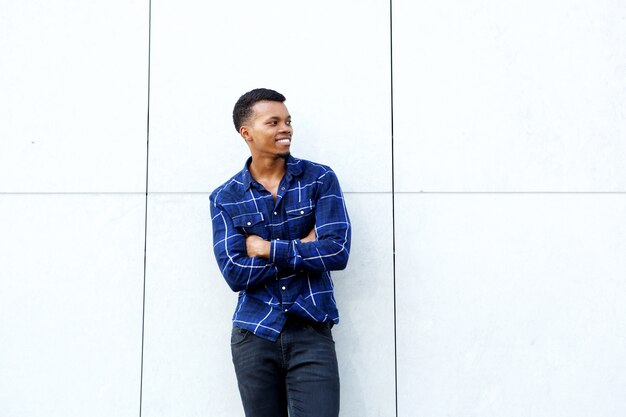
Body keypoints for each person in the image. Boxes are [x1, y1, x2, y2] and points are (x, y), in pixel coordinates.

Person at [210, 88, 351, 417]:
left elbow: (337, 250)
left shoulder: (319, 179)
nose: (285, 128)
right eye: (273, 122)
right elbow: (234, 272)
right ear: (247, 132)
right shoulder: (225, 197)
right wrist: (302, 247)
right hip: (254, 334)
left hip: (311, 331)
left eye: (287, 121)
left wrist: (266, 249)